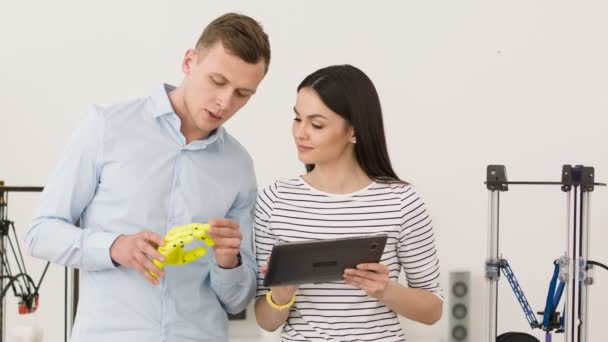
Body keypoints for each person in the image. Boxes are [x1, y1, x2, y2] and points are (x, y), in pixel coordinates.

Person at [25, 13, 270, 342]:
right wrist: (114, 247)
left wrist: (229, 262)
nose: (225, 102)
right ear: (189, 61)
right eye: (218, 81)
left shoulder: (239, 167)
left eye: (242, 93)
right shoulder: (106, 127)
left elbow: (237, 298)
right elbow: (41, 232)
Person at [253, 65, 443, 341]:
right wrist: (282, 293)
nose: (300, 133)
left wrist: (385, 290)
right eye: (297, 119)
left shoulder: (402, 201)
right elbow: (266, 322)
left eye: (316, 124)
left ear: (353, 131)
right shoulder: (275, 200)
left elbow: (433, 309)